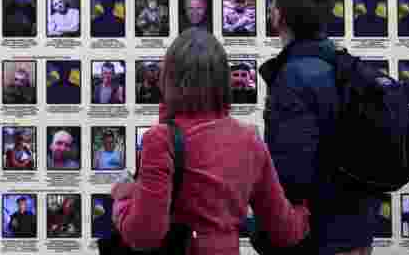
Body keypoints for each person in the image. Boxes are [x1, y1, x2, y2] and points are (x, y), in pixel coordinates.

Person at [111, 29, 310, 254]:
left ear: (170, 78)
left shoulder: (160, 140)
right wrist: (306, 210)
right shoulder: (250, 140)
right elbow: (284, 231)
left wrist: (123, 197)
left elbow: (144, 235)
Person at [260, 0, 382, 253]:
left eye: (273, 1)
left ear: (280, 16)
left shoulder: (292, 78)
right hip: (357, 235)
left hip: (317, 238)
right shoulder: (347, 69)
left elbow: (291, 175)